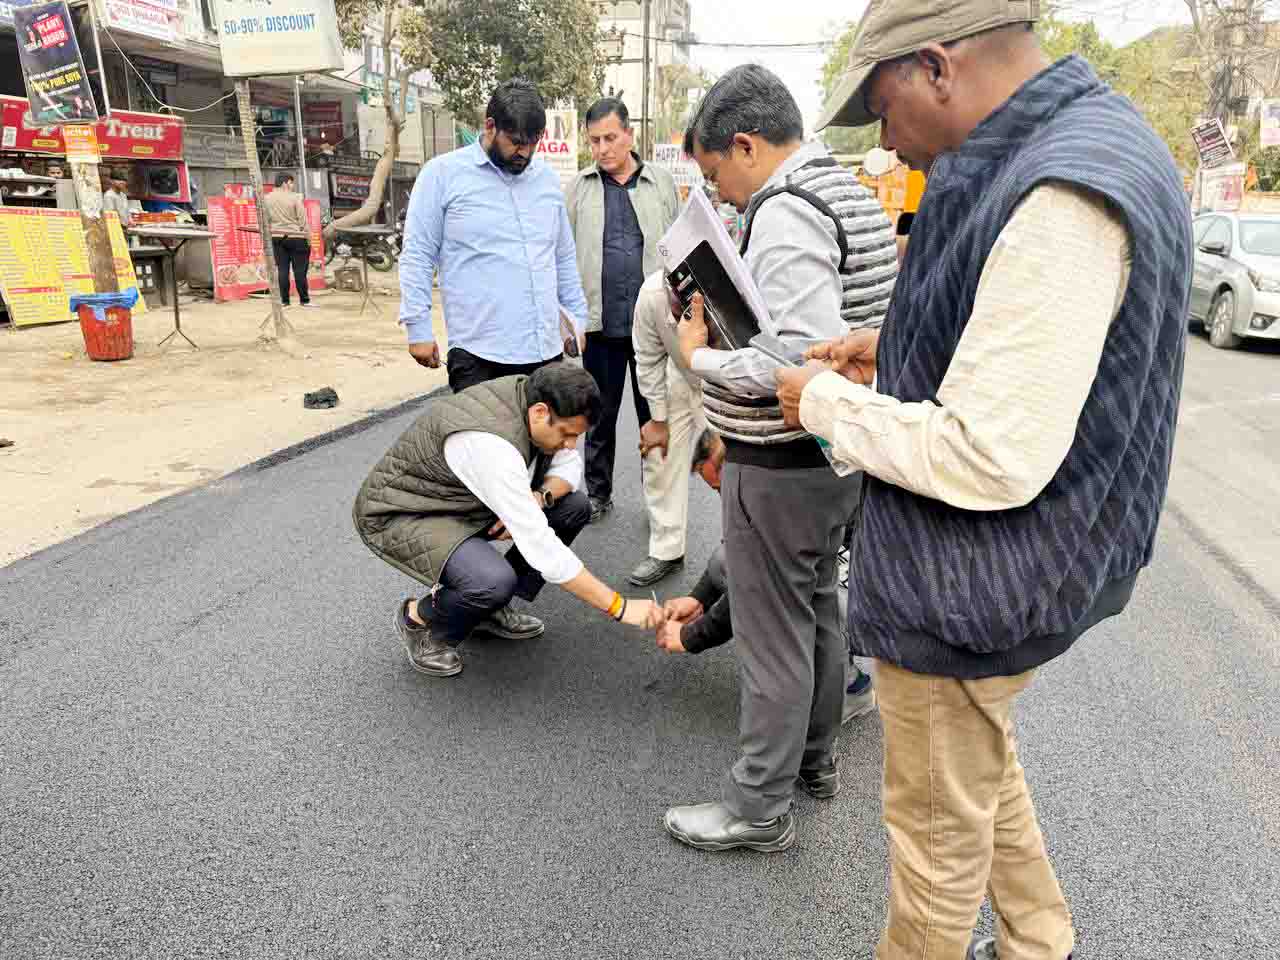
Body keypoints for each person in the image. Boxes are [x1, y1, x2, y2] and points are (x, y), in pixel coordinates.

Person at [776, 3, 1192, 958]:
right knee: (976, 768)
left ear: (936, 68)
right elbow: (1027, 336)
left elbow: (986, 454)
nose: (883, 140)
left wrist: (821, 404)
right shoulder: (1072, 143)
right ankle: (1039, 939)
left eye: (881, 110)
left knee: (931, 863)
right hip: (1016, 569)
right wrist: (892, 346)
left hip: (973, 577)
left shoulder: (1060, 189)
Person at [661, 64, 898, 854]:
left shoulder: (789, 211)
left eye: (717, 173)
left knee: (775, 638)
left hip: (784, 459)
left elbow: (790, 362)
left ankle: (756, 810)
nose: (722, 195)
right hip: (835, 459)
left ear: (746, 144)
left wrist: (698, 360)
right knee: (817, 611)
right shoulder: (847, 194)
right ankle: (814, 764)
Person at [352, 364, 665, 678]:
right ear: (541, 413)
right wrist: (619, 607)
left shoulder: (531, 400)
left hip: (461, 502)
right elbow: (544, 550)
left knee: (574, 506)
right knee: (491, 580)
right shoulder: (492, 445)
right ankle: (419, 620)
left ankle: (486, 609)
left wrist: (540, 497)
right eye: (568, 434)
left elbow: (569, 468)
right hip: (403, 512)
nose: (571, 444)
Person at [656, 427, 878, 725]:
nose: (724, 496)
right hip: (831, 562)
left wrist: (691, 637)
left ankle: (850, 688)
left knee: (812, 603)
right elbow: (738, 556)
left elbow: (756, 582)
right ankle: (811, 676)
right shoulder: (764, 470)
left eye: (722, 486)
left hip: (875, 590)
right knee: (726, 560)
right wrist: (697, 599)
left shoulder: (783, 487)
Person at [399, 78, 589, 393]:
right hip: (480, 356)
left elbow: (562, 256)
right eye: (515, 141)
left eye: (532, 142)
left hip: (546, 354)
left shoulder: (546, 181)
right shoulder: (442, 176)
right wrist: (417, 328)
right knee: (486, 443)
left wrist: (576, 319)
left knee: (547, 444)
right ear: (490, 126)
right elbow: (418, 254)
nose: (524, 152)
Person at [565, 99, 681, 530]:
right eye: (594, 140)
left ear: (629, 135)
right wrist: (569, 320)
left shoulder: (661, 183)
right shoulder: (579, 187)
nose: (602, 148)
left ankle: (659, 500)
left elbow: (679, 248)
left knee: (656, 415)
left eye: (610, 138)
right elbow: (563, 253)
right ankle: (598, 493)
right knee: (599, 417)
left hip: (653, 329)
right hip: (601, 327)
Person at [628, 271, 705, 586]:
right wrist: (657, 420)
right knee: (658, 455)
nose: (677, 317)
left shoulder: (729, 294)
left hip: (734, 382)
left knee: (740, 471)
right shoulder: (651, 295)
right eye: (674, 310)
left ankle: (745, 555)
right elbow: (647, 358)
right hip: (683, 378)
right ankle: (667, 551)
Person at [263, 173, 313, 308]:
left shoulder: (266, 199)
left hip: (277, 237)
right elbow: (303, 220)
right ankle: (304, 300)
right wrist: (309, 238)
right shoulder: (295, 197)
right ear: (285, 183)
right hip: (296, 236)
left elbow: (265, 220)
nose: (292, 186)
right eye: (291, 183)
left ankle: (285, 301)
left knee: (282, 270)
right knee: (300, 271)